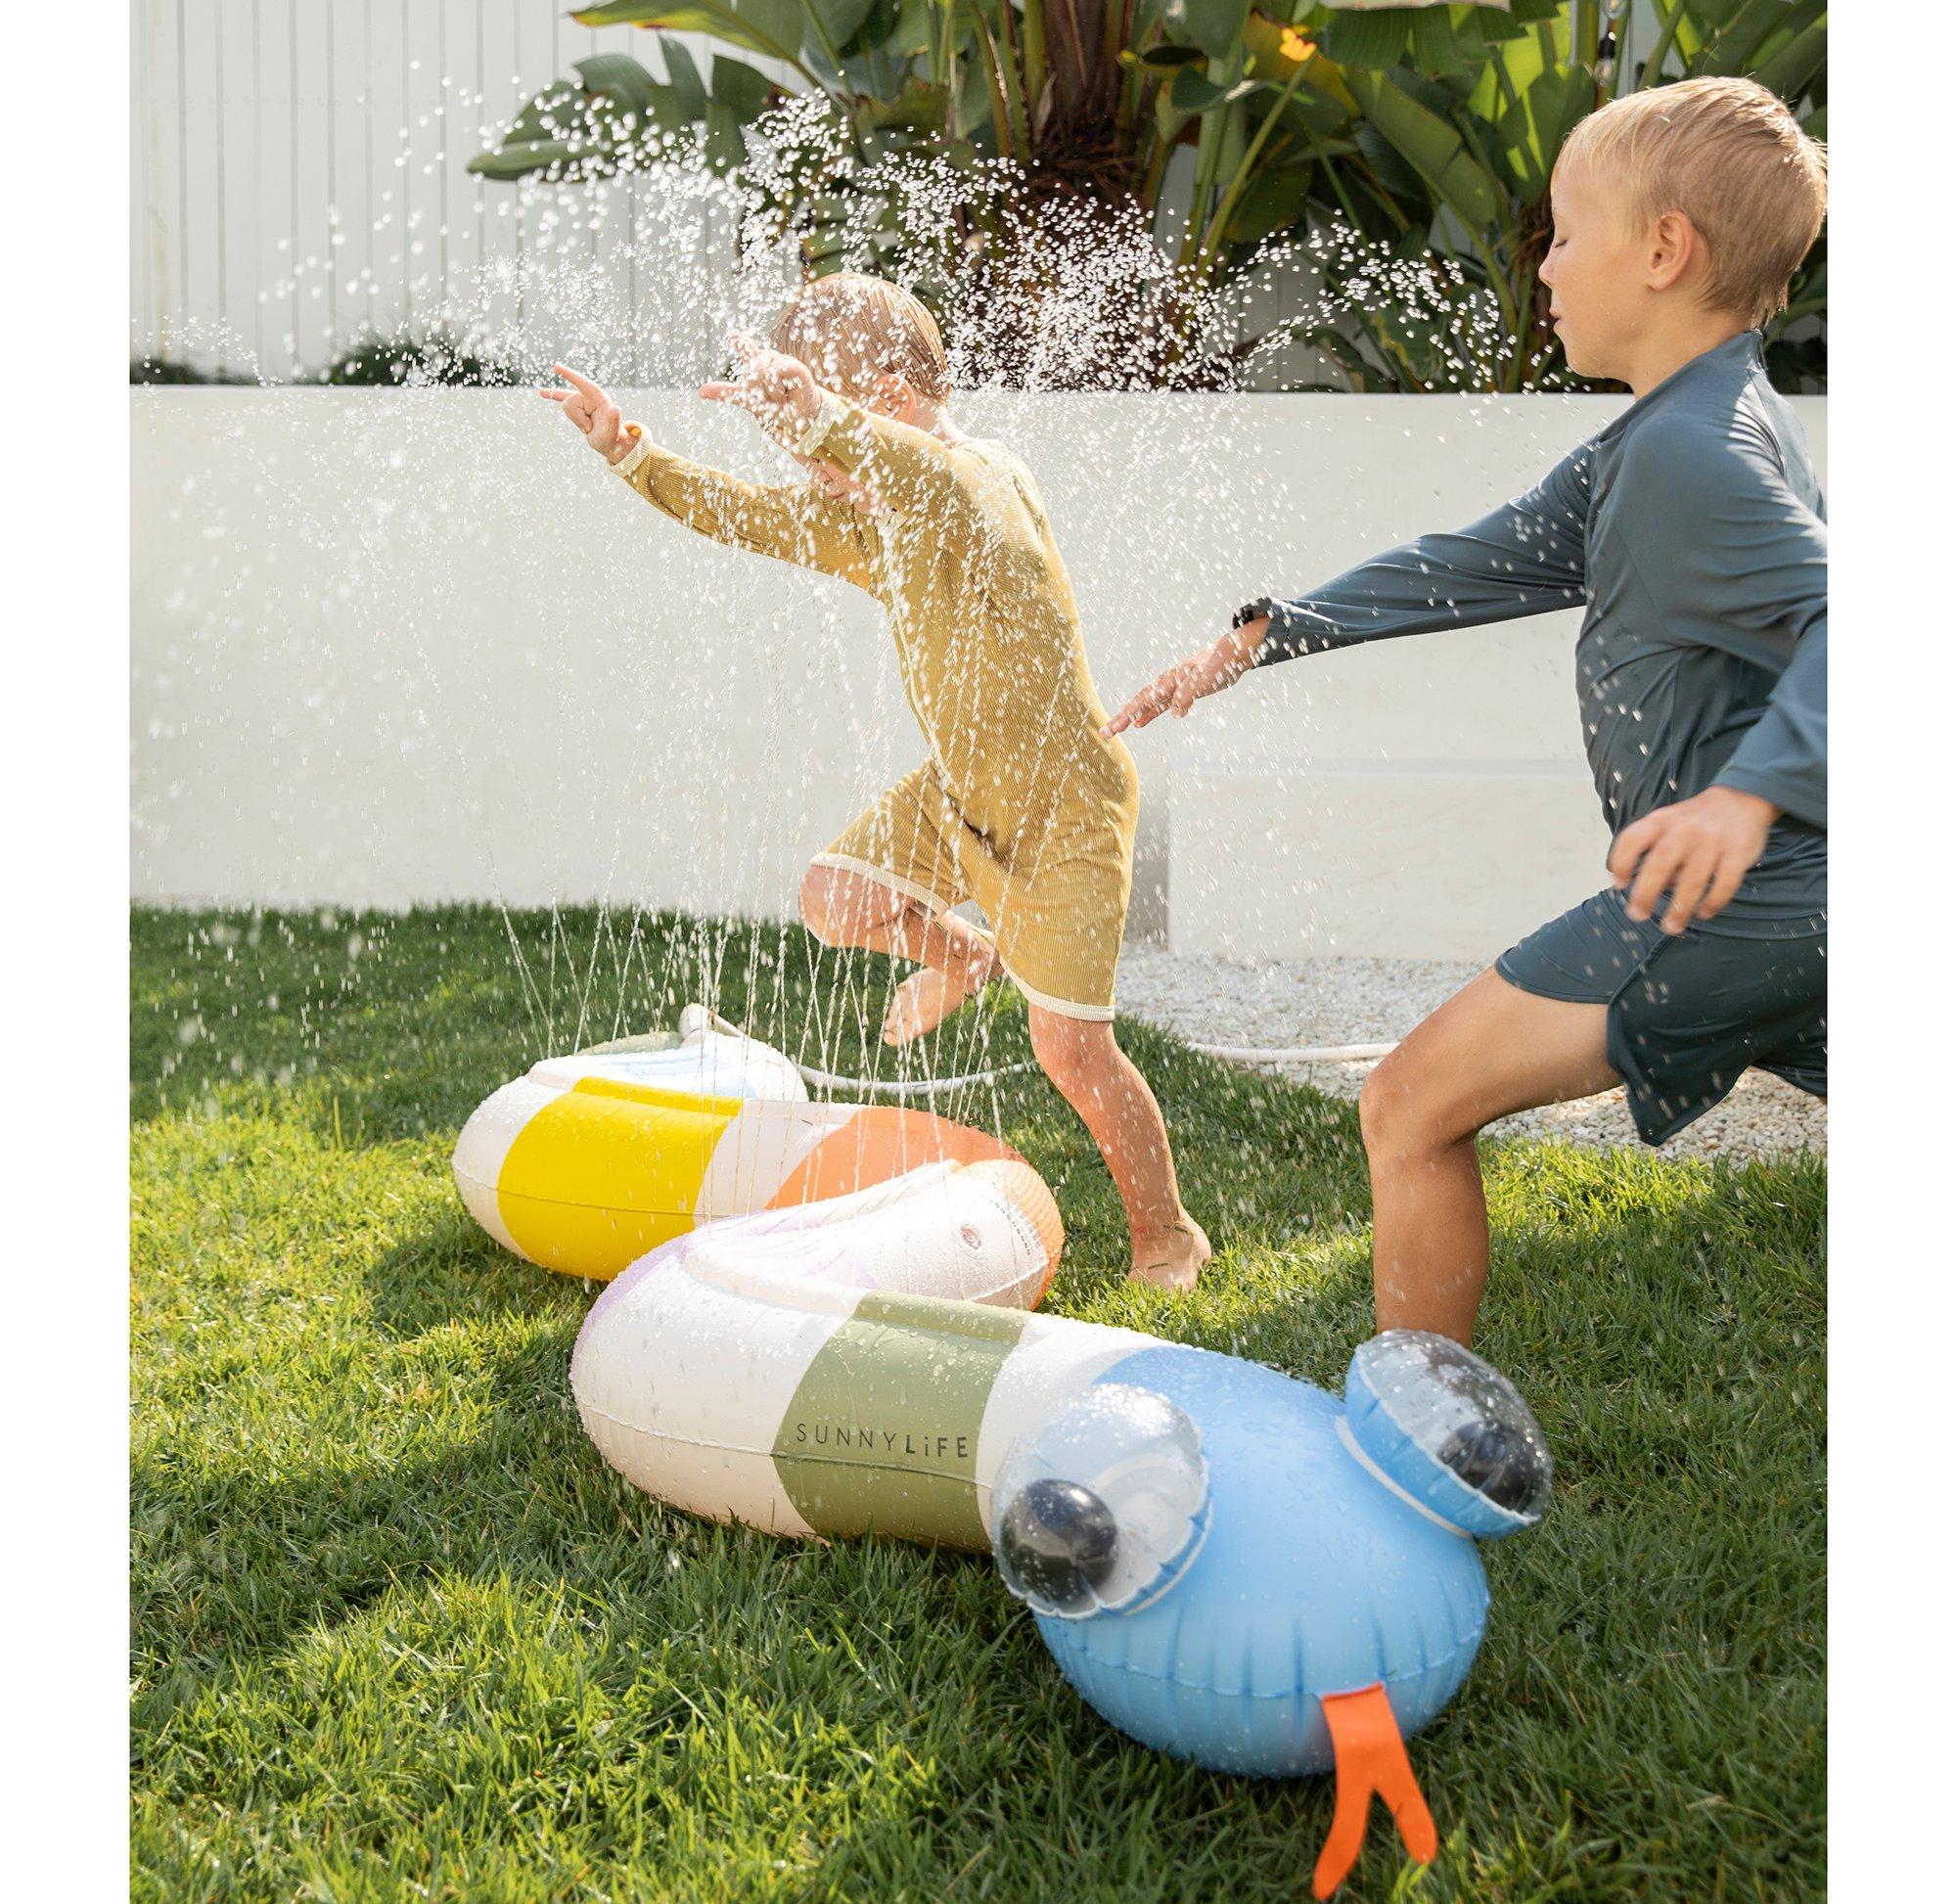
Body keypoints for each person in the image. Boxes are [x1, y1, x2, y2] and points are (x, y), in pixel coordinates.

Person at [1105, 77, 1827, 1344]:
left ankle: (1423, 1428)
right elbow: (1481, 558)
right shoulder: (1672, 433)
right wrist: (1261, 639)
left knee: (1409, 1104)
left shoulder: (1689, 457)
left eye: (1561, 232)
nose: (1541, 269)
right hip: (1808, 900)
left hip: (1742, 897)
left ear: (1664, 251)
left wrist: (1740, 793)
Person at [543, 274, 1209, 1289]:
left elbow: (941, 484)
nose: (802, 467)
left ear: (890, 403)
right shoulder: (872, 524)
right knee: (833, 894)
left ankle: (1166, 1233)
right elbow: (744, 516)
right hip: (958, 795)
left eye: (807, 441)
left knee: (1070, 1052)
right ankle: (961, 954)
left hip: (1064, 802)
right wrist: (626, 450)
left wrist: (823, 420)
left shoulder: (983, 480)